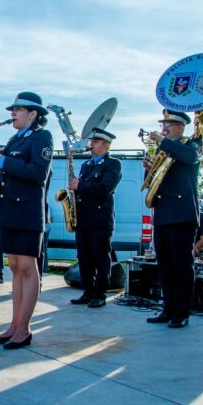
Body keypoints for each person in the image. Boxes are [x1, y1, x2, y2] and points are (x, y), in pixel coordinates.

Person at [0, 92, 53, 348]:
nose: (12, 113)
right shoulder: (14, 139)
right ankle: (14, 324)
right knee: (14, 267)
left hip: (27, 210)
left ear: (33, 114)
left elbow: (38, 172)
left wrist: (2, 160)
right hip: (9, 210)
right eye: (12, 109)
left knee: (27, 267)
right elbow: (8, 171)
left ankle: (24, 328)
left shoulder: (41, 137)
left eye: (18, 109)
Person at [144, 110, 201, 329]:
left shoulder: (191, 144)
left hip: (182, 214)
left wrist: (162, 140)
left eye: (169, 125)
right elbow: (153, 184)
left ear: (180, 127)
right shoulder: (164, 149)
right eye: (163, 125)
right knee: (165, 265)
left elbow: (189, 158)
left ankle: (182, 311)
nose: (164, 128)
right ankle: (168, 308)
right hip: (162, 214)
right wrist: (149, 170)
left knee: (181, 265)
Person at [69, 127, 122, 308]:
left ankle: (100, 294)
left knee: (100, 258)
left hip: (100, 220)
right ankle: (88, 291)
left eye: (96, 141)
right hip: (83, 219)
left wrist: (80, 185)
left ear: (106, 145)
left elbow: (105, 189)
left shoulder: (113, 164)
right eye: (92, 141)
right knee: (84, 258)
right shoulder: (87, 165)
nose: (91, 144)